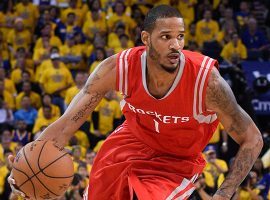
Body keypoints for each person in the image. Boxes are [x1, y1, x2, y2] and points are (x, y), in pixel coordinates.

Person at [8, 5, 263, 200]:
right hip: (130, 142)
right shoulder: (118, 68)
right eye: (165, 37)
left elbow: (253, 138)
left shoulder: (208, 83)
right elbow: (64, 127)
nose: (175, 45)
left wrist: (223, 194)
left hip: (175, 159)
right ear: (145, 38)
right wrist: (25, 164)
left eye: (180, 37)